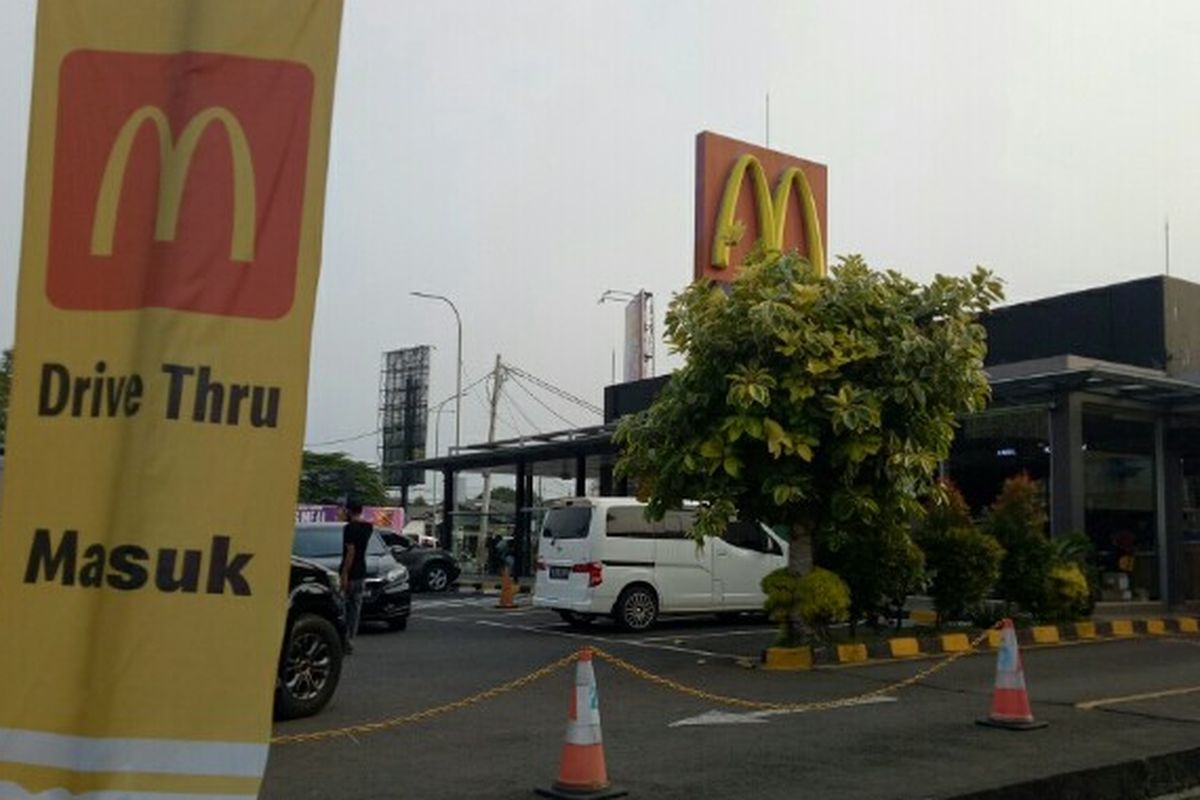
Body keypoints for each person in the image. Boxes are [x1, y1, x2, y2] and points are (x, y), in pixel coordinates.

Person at [339, 500, 372, 654]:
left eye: (345, 510)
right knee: (355, 609)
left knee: (344, 608)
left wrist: (345, 574)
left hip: (351, 573)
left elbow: (350, 552)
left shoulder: (349, 529)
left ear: (350, 511)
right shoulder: (368, 527)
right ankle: (351, 639)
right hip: (362, 572)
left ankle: (344, 640)